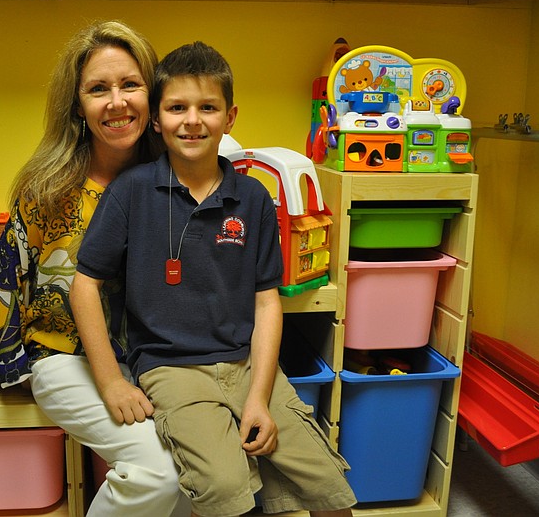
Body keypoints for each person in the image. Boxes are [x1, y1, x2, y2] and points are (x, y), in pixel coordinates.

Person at [71, 41, 357, 517]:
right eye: (177, 107)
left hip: (247, 366)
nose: (193, 120)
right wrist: (110, 382)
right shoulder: (131, 192)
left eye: (208, 107)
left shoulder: (254, 199)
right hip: (170, 371)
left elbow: (267, 304)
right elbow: (85, 284)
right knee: (226, 492)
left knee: (329, 487)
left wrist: (261, 398)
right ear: (157, 119)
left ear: (230, 117)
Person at [0, 20, 189, 517]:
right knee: (157, 473)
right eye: (98, 89)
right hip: (62, 360)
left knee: (191, 466)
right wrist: (13, 368)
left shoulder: (176, 180)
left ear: (152, 96)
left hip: (154, 360)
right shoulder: (48, 186)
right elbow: (3, 278)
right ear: (78, 106)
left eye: (130, 85)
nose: (117, 102)